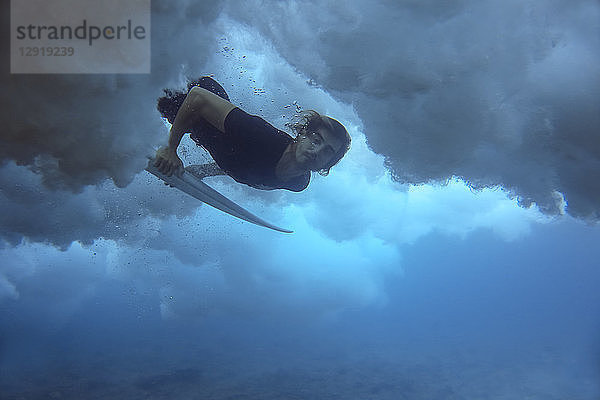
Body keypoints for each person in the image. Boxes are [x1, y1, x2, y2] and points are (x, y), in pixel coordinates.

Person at [154, 77, 351, 192]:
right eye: (316, 140)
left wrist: (202, 171)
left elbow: (244, 162)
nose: (317, 151)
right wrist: (170, 149)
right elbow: (197, 96)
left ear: (328, 163)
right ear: (302, 134)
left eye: (327, 152)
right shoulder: (261, 136)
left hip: (196, 123)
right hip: (184, 96)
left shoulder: (298, 183)